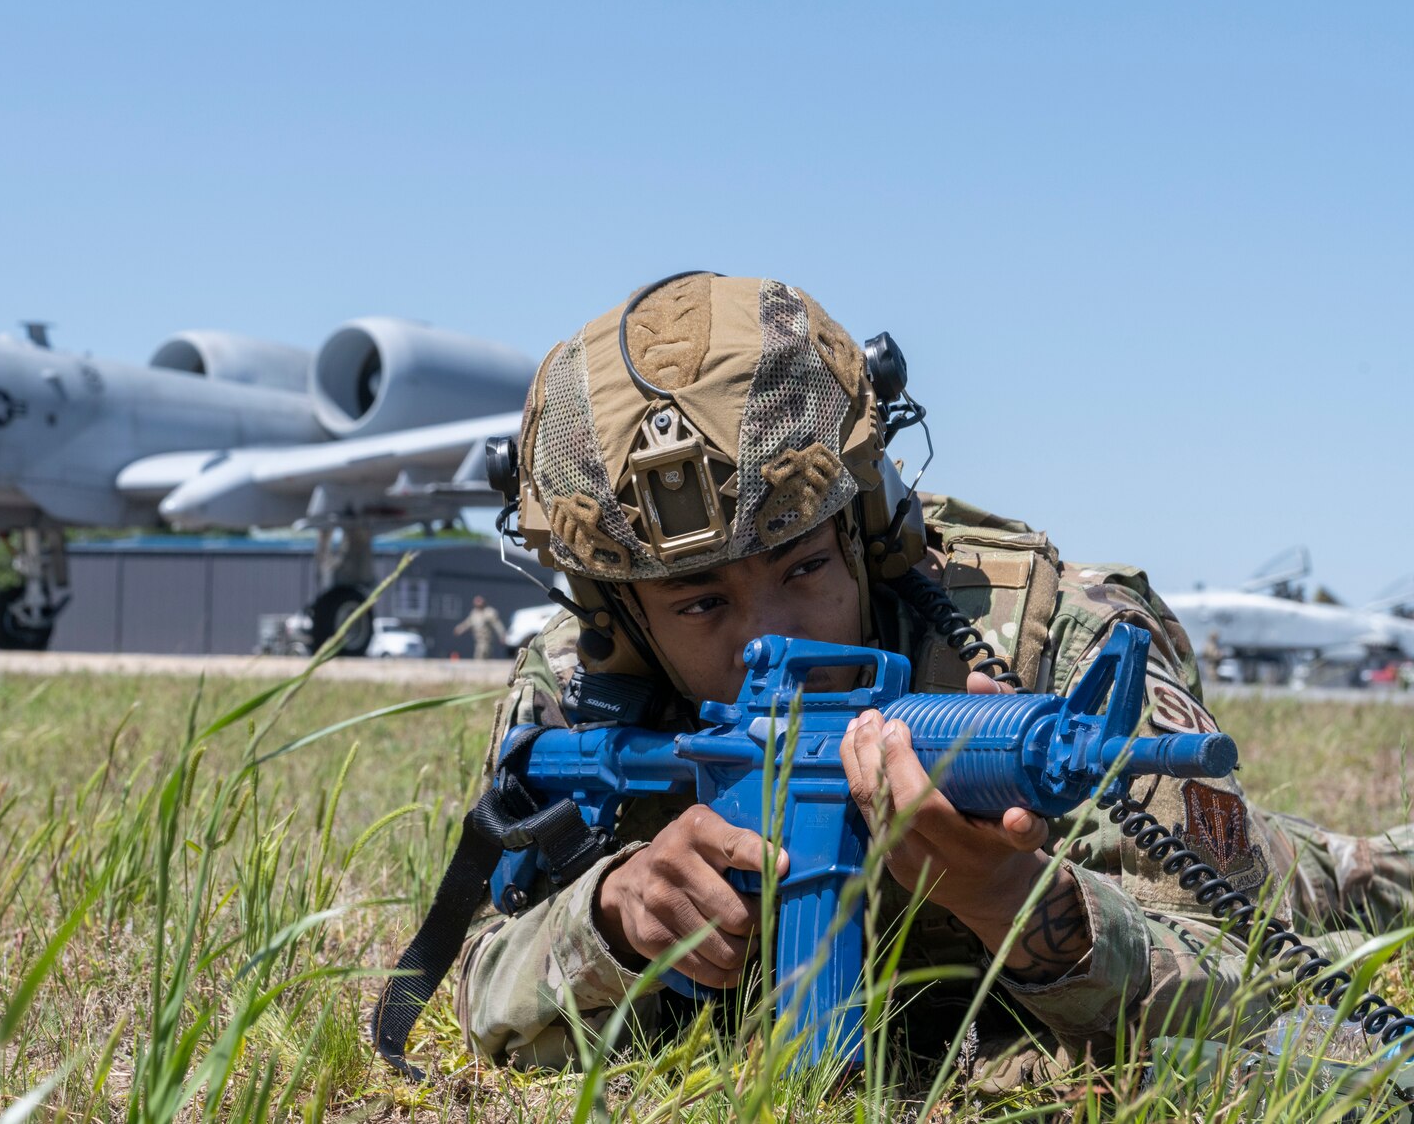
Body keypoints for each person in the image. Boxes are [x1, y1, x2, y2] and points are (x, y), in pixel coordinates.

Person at [419, 275, 1414, 1087]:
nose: (767, 638)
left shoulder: (1037, 641)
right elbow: (477, 987)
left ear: (870, 526)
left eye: (801, 567)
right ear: (617, 607)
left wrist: (1013, 902)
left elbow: (1256, 1004)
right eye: (699, 604)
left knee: (1340, 883)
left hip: (1164, 857)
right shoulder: (589, 684)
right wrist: (607, 919)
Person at [455, 595, 506, 661]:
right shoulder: (474, 613)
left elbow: (497, 625)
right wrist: (459, 629)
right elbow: (467, 623)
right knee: (482, 655)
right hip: (478, 640)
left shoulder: (488, 612)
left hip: (486, 640)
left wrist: (502, 635)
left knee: (482, 653)